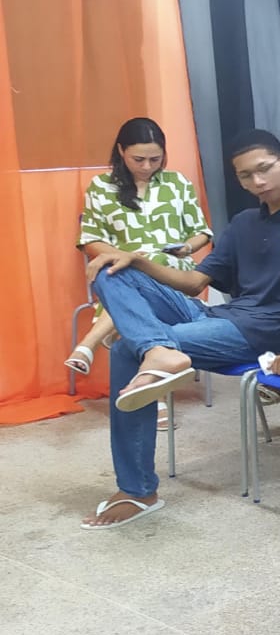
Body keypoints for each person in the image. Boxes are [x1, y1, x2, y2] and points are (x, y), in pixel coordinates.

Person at [79, 129, 280, 529]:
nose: (257, 181)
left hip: (256, 333)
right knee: (112, 267)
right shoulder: (244, 223)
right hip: (215, 318)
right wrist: (136, 260)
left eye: (264, 169)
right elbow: (195, 283)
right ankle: (157, 349)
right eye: (246, 176)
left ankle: (138, 490)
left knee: (125, 349)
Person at [70, 117, 214, 432]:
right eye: (138, 159)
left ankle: (88, 344)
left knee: (134, 279)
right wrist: (126, 257)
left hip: (172, 272)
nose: (147, 166)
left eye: (155, 159)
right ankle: (155, 393)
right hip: (121, 272)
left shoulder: (177, 183)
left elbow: (202, 232)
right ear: (121, 151)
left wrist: (186, 248)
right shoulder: (101, 187)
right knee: (126, 279)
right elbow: (90, 239)